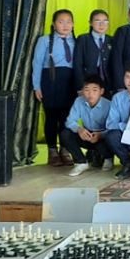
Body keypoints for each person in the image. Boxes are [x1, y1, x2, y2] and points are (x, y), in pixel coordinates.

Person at [32, 9, 76, 166]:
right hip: (50, 82)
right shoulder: (44, 40)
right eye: (61, 22)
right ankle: (52, 150)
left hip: (69, 83)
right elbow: (37, 64)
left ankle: (65, 149)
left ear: (73, 24)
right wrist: (36, 86)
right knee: (51, 117)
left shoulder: (77, 41)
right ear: (53, 24)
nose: (65, 25)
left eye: (68, 22)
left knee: (67, 118)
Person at [60, 75, 113, 177]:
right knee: (65, 133)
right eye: (87, 90)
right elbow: (70, 121)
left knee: (111, 138)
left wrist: (100, 135)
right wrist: (79, 129)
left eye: (94, 90)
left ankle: (108, 158)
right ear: (82, 91)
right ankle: (81, 162)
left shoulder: (109, 105)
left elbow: (112, 127)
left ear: (101, 91)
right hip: (86, 134)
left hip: (101, 136)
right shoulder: (79, 101)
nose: (90, 94)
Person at [73, 9, 112, 95]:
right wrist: (80, 86)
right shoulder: (83, 39)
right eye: (97, 21)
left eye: (105, 21)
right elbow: (77, 64)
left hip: (108, 84)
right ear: (90, 23)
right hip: (88, 82)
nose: (101, 24)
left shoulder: (111, 40)